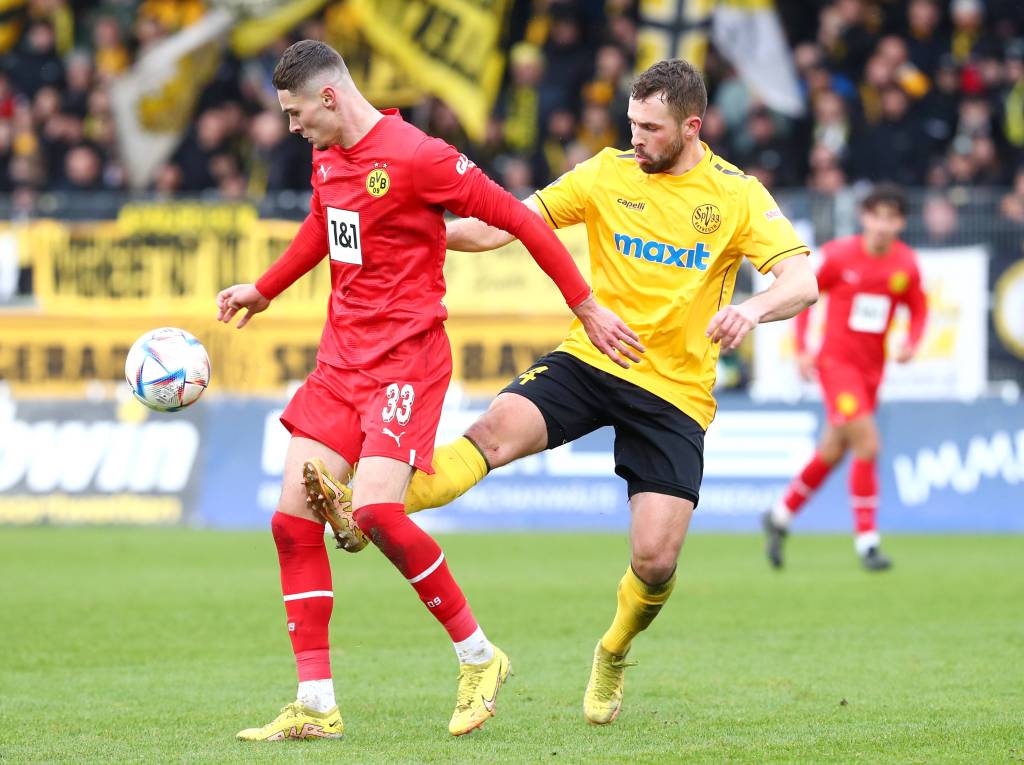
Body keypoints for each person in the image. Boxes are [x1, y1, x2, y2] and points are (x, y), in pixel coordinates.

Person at [304, 58, 819, 726]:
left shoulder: (736, 194)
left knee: (655, 561)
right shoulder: (606, 173)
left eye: (651, 128)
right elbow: (511, 220)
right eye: (631, 122)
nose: (636, 138)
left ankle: (613, 649)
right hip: (592, 357)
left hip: (673, 393)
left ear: (692, 127)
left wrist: (752, 309)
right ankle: (364, 510)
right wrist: (424, 233)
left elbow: (801, 280)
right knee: (490, 435)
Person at [216, 40, 640, 741]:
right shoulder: (326, 154)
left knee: (378, 513)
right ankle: (316, 703)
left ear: (328, 96)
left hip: (406, 362)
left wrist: (586, 303)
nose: (290, 127)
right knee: (292, 522)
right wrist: (265, 289)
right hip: (340, 361)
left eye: (295, 113)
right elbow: (325, 225)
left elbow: (520, 218)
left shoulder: (418, 155)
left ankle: (480, 656)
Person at [763, 184, 928, 571]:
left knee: (834, 450)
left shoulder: (905, 265)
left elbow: (919, 309)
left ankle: (780, 515)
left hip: (873, 371)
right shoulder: (839, 256)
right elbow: (804, 296)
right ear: (864, 217)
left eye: (892, 217)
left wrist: (912, 342)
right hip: (836, 366)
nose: (883, 225)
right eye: (877, 216)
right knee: (868, 444)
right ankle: (868, 543)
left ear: (901, 222)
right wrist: (803, 348)